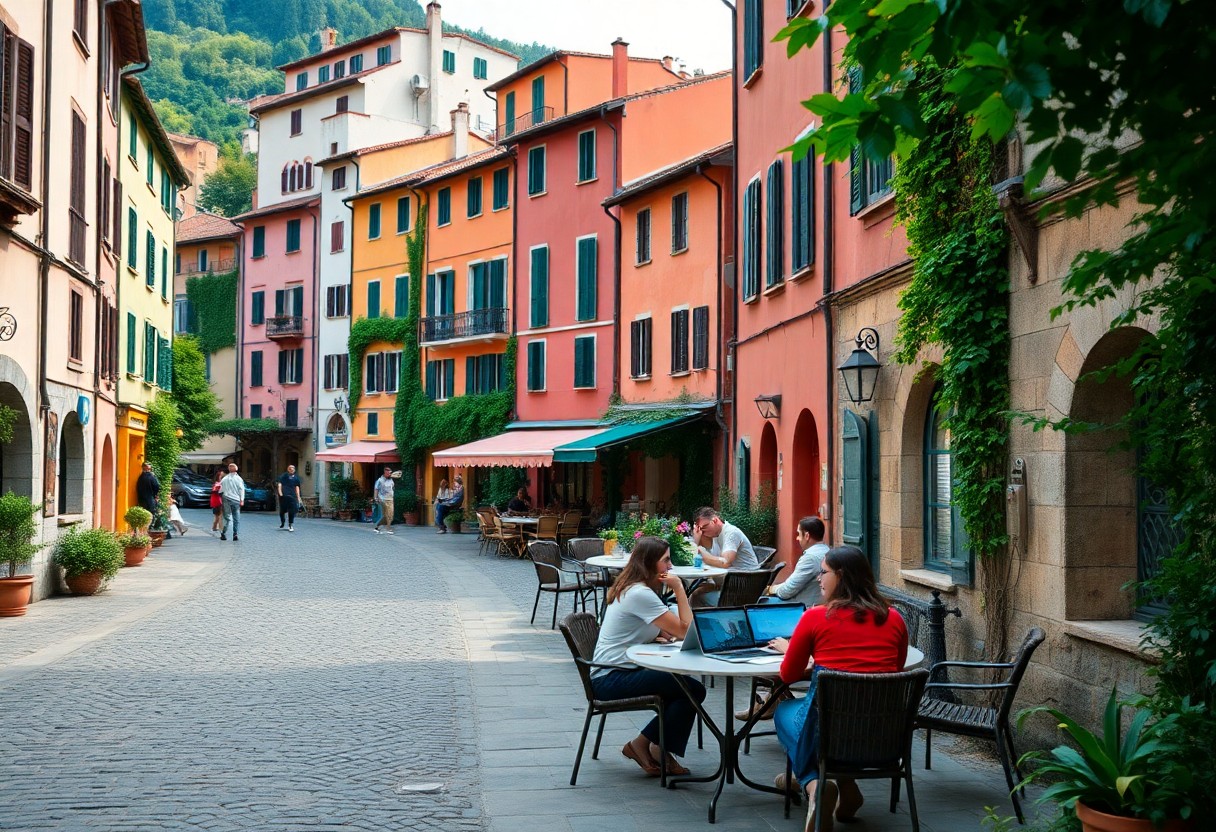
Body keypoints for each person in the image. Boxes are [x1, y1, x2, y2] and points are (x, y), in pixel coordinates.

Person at [767, 545, 909, 832]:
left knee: (785, 711)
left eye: (823, 572)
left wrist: (794, 651)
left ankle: (813, 786)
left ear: (841, 576)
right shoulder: (894, 618)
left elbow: (788, 674)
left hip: (828, 734)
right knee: (823, 718)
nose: (818, 578)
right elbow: (895, 668)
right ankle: (847, 786)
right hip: (882, 736)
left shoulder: (815, 617)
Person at [590, 536, 705, 778]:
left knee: (683, 689)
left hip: (613, 671)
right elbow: (685, 631)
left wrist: (659, 634)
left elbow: (664, 629)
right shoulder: (640, 593)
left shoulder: (633, 588)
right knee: (692, 690)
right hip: (610, 678)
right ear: (649, 563)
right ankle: (650, 746)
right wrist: (679, 588)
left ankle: (650, 746)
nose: (670, 566)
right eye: (666, 560)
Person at [763, 516, 829, 606]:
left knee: (761, 602)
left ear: (807, 536)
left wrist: (770, 589)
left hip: (802, 607)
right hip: (818, 604)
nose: (797, 538)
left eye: (799, 534)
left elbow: (786, 591)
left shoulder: (810, 558)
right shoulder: (828, 551)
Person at [692, 507, 760, 570]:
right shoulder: (715, 534)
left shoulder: (732, 533)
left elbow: (725, 563)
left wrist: (701, 553)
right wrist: (696, 538)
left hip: (745, 575)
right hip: (731, 574)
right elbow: (694, 556)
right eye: (699, 529)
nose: (702, 531)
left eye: (704, 527)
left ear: (715, 520)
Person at [219, 463, 246, 542]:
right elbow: (241, 489)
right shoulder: (239, 479)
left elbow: (220, 490)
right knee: (236, 517)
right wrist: (242, 500)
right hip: (236, 500)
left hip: (226, 498)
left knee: (226, 517)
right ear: (236, 470)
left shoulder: (225, 479)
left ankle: (223, 533)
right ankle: (235, 534)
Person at [277, 464, 303, 532]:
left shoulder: (296, 478)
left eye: (293, 468)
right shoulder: (284, 476)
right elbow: (279, 485)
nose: (291, 469)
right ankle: (283, 522)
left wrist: (298, 497)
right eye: (290, 468)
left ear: (294, 470)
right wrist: (280, 493)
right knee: (282, 511)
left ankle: (290, 524)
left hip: (292, 496)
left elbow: (297, 488)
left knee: (292, 511)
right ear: (288, 469)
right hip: (284, 496)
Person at [373, 466, 396, 535]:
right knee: (386, 515)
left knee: (391, 515)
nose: (390, 474)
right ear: (385, 473)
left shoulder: (391, 480)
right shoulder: (380, 480)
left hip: (390, 499)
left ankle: (377, 527)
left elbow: (392, 488)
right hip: (383, 499)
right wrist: (376, 498)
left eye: (390, 473)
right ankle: (388, 528)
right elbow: (376, 489)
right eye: (388, 473)